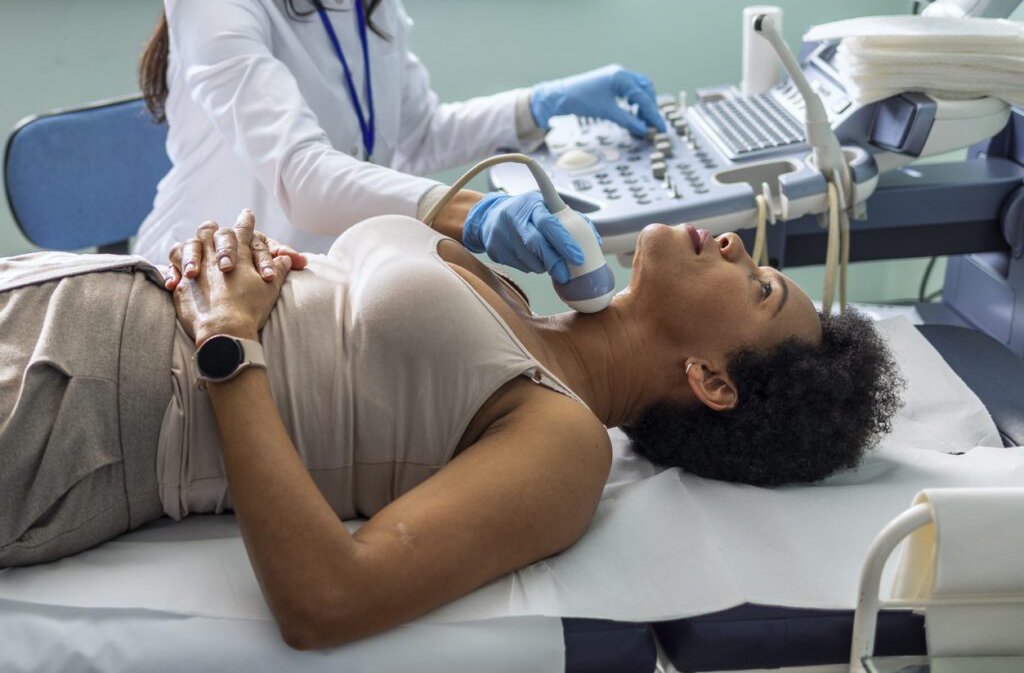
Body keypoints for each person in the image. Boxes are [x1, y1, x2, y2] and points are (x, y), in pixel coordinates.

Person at [0, 210, 901, 649]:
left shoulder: (564, 443)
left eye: (758, 287)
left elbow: (327, 599)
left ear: (711, 381)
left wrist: (229, 343)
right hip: (57, 291)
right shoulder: (512, 292)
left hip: (71, 413)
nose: (738, 246)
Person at [133, 0, 666, 286]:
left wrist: (539, 104)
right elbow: (302, 177)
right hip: (209, 282)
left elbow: (418, 134)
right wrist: (472, 213)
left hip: (328, 278)